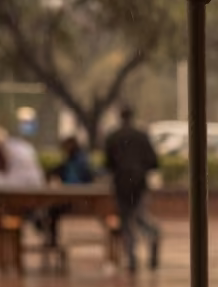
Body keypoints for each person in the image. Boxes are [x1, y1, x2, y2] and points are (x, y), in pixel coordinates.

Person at [105, 107, 161, 271]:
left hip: (120, 184)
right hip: (139, 184)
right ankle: (153, 237)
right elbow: (154, 162)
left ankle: (131, 258)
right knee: (140, 216)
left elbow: (108, 164)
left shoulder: (112, 137)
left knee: (126, 221)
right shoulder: (142, 136)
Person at [39, 136, 95, 248]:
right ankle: (51, 238)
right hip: (79, 199)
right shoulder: (77, 159)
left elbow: (75, 179)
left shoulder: (76, 161)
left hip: (77, 199)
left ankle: (52, 240)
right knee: (50, 210)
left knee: (51, 210)